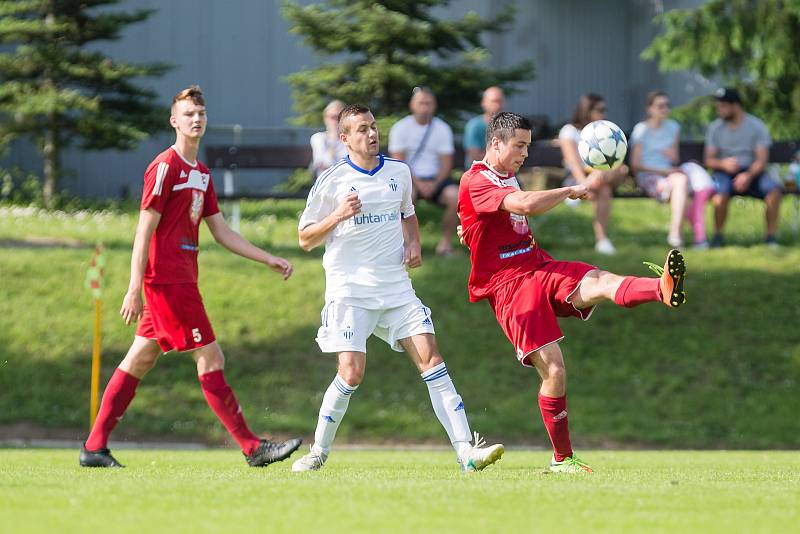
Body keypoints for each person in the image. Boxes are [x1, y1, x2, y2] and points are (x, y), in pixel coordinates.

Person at [79, 86, 302, 468]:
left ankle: (94, 447)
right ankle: (252, 447)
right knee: (211, 355)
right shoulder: (165, 167)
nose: (196, 119)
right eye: (188, 114)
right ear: (174, 121)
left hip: (184, 279)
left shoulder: (200, 173)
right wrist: (134, 287)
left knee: (140, 359)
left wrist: (267, 258)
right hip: (166, 282)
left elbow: (221, 232)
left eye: (200, 112)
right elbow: (143, 231)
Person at [458, 112, 687, 473]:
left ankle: (661, 289)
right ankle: (562, 458)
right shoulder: (476, 180)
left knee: (598, 280)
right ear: (495, 143)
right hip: (509, 288)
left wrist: (471, 231)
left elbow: (492, 222)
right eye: (518, 146)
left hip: (538, 267)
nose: (524, 154)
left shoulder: (505, 174)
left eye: (527, 147)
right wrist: (569, 190)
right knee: (555, 370)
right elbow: (525, 205)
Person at [293, 104, 504, 473]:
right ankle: (318, 451)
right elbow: (305, 238)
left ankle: (466, 452)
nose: (371, 134)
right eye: (361, 129)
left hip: (396, 289)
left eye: (373, 127)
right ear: (344, 139)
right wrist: (339, 214)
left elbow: (407, 212)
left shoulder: (399, 172)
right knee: (351, 372)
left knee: (432, 359)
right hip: (350, 291)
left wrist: (414, 244)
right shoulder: (333, 180)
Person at [704, 87, 783, 247]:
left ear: (736, 106)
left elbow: (761, 160)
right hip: (725, 173)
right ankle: (718, 237)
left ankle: (771, 238)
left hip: (753, 172)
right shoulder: (715, 128)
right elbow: (709, 160)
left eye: (723, 106)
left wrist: (747, 175)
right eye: (718, 106)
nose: (719, 110)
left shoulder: (756, 126)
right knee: (720, 194)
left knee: (774, 191)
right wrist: (723, 164)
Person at [389, 87, 458, 256]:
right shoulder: (400, 128)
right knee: (404, 197)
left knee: (455, 196)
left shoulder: (443, 129)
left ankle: (445, 245)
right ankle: (408, 246)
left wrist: (434, 184)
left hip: (437, 179)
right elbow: (399, 162)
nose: (425, 107)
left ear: (434, 106)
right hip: (409, 179)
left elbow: (447, 163)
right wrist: (418, 183)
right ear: (412, 105)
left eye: (428, 103)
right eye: (421, 103)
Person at [559, 93, 629, 255]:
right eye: (599, 109)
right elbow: (573, 163)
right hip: (578, 177)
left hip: (602, 175)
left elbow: (617, 159)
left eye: (605, 109)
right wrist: (583, 183)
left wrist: (587, 185)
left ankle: (581, 191)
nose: (603, 114)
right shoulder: (570, 131)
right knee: (604, 189)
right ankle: (602, 240)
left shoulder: (606, 131)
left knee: (618, 169)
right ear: (586, 110)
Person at [629, 91, 691, 248]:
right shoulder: (641, 130)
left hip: (669, 175)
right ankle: (678, 235)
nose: (665, 109)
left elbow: (675, 159)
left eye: (667, 105)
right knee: (682, 185)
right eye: (660, 106)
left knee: (683, 181)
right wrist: (664, 172)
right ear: (650, 109)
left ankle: (677, 232)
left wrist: (671, 157)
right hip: (648, 176)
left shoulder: (673, 127)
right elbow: (635, 164)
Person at [463, 86, 506, 164]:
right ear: (484, 103)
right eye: (494, 101)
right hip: (480, 172)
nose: (498, 105)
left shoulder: (508, 125)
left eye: (500, 101)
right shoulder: (474, 126)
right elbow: (475, 156)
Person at [310, 100, 348, 179]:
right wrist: (334, 138)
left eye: (339, 117)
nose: (336, 121)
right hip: (326, 184)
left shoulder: (350, 140)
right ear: (325, 118)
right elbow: (323, 164)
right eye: (333, 117)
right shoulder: (318, 138)